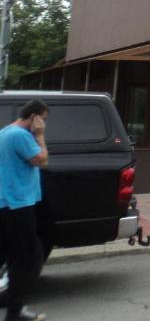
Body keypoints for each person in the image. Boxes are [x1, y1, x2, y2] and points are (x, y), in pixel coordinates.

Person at [0, 99, 49, 321]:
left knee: (15, 254)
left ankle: (15, 308)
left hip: (9, 203)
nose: (43, 124)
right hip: (17, 205)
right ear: (34, 117)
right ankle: (14, 312)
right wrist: (39, 135)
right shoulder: (20, 135)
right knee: (26, 258)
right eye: (42, 120)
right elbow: (42, 160)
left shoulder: (6, 131)